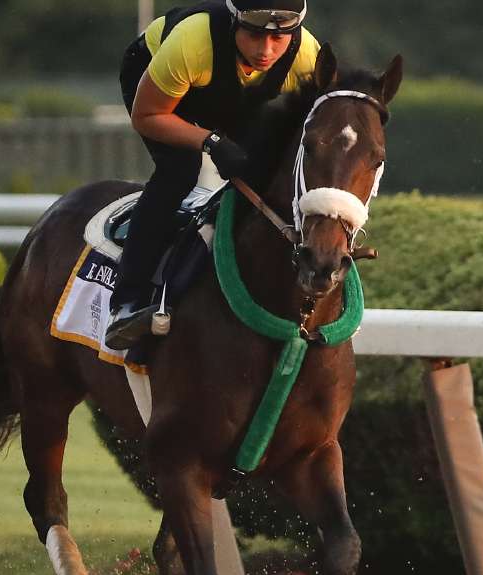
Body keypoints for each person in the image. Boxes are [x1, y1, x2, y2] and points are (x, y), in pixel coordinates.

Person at [105, 0, 322, 350]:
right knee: (180, 170)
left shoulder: (307, 56)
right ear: (235, 22)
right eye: (253, 35)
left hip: (226, 93)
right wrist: (210, 141)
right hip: (156, 84)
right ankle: (127, 300)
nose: (266, 51)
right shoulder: (193, 42)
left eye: (279, 39)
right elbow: (147, 117)